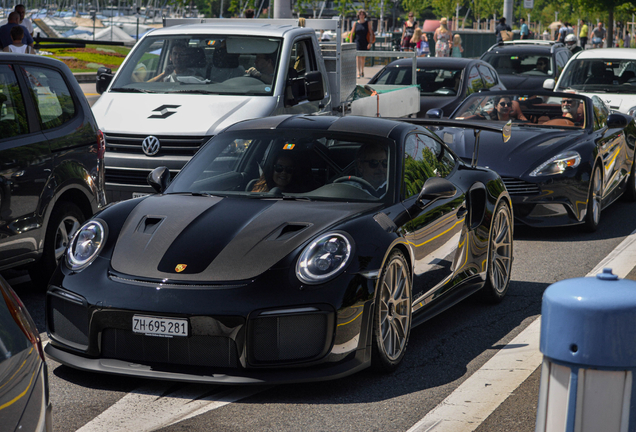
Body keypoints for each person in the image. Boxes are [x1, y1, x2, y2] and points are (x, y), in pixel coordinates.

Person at [350, 9, 375, 78]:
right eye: (360, 14)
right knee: (358, 56)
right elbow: (352, 33)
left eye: (363, 14)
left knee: (363, 57)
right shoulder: (356, 23)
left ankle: (362, 70)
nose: (361, 16)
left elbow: (370, 33)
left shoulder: (367, 23)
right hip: (357, 41)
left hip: (365, 41)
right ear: (358, 15)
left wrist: (370, 43)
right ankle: (358, 72)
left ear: (364, 15)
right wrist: (351, 42)